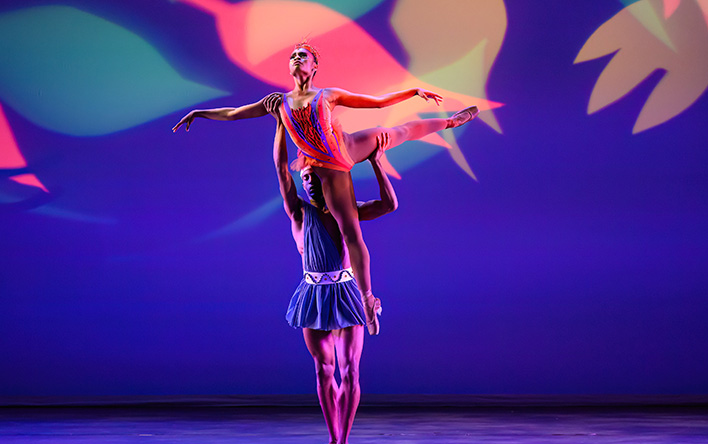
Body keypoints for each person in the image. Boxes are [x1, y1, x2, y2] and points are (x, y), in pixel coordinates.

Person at [173, 42, 479, 335]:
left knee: (396, 131)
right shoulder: (278, 103)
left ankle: (451, 122)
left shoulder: (328, 95)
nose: (296, 58)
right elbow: (235, 113)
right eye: (292, 55)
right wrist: (200, 113)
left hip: (346, 146)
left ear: (314, 66)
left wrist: (414, 91)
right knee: (350, 231)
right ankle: (368, 302)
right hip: (328, 169)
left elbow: (377, 102)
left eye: (302, 55)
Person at [271, 110, 396, 444]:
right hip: (313, 294)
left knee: (350, 369)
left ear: (328, 177)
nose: (310, 181)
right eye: (306, 177)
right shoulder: (299, 213)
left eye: (316, 175)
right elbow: (282, 171)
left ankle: (344, 442)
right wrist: (281, 125)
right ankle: (332, 440)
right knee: (324, 370)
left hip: (346, 292)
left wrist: (377, 162)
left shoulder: (349, 210)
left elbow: (389, 204)